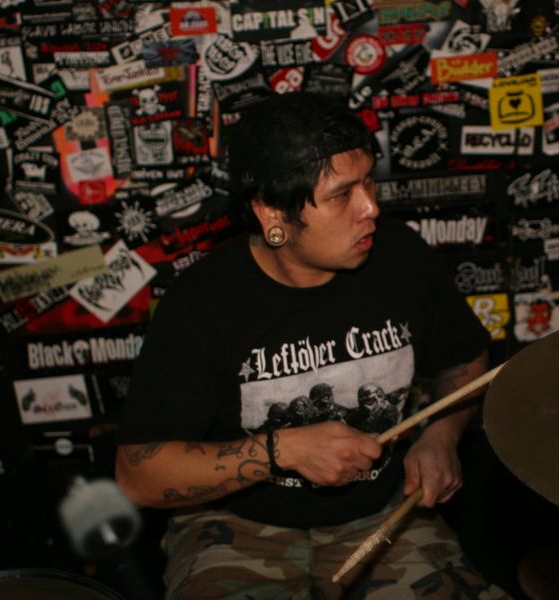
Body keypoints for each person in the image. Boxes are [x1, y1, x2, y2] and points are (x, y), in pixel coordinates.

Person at [116, 92, 508, 599]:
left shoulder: (400, 256)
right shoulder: (203, 303)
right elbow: (138, 477)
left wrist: (441, 435)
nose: (371, 207)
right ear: (272, 213)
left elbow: (464, 358)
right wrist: (284, 450)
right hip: (235, 526)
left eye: (368, 181)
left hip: (382, 512)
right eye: (342, 194)